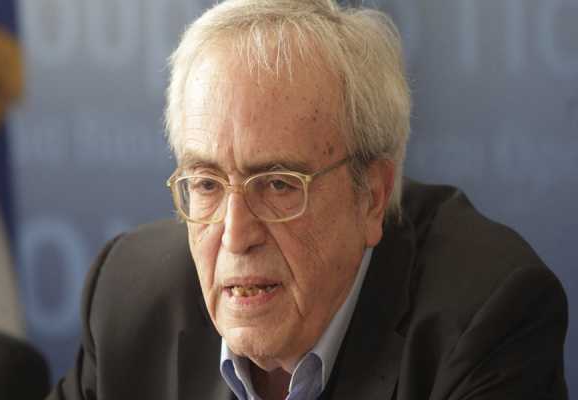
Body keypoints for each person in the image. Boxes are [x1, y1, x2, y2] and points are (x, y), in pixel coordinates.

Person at [48, 0, 568, 399]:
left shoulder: (485, 321)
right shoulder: (130, 301)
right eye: (207, 184)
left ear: (372, 196)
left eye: (278, 184)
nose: (235, 235)